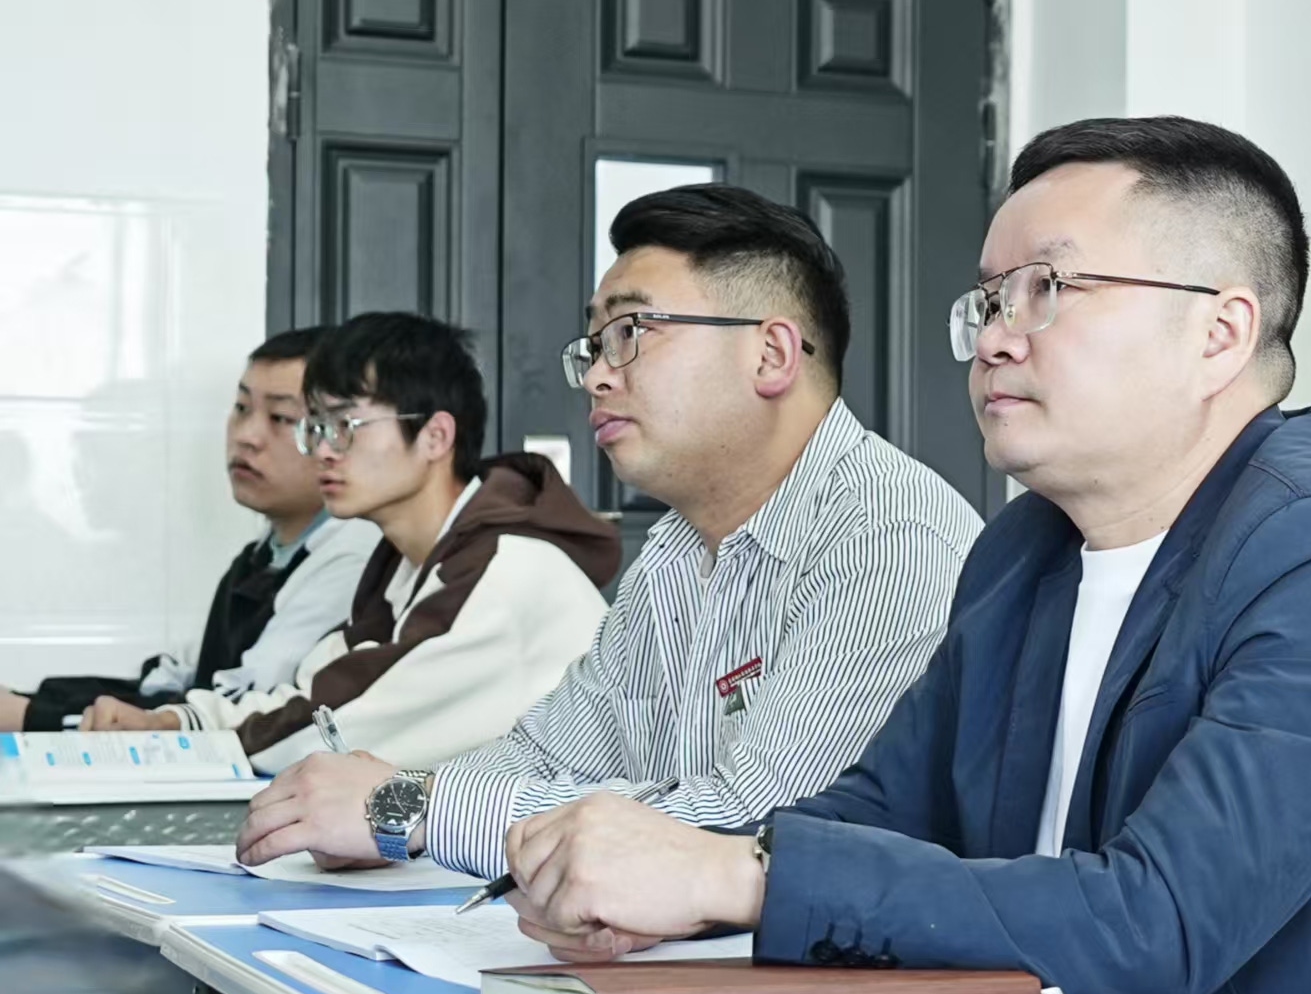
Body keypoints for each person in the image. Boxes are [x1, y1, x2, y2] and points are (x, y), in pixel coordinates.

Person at [487, 120, 1311, 994]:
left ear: (1219, 333)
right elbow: (877, 810)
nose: (996, 336)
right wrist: (665, 890)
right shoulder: (1026, 549)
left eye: (1047, 290)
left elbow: (1157, 922)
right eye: (989, 299)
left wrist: (738, 877)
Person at [234, 185, 982, 875]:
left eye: (629, 332)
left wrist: (413, 810)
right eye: (593, 347)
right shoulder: (673, 556)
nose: (596, 375)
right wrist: (387, 821)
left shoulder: (888, 536)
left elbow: (759, 823)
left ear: (771, 354)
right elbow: (544, 753)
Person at [86, 311, 620, 778]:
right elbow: (318, 691)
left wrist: (182, 738)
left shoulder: (505, 570)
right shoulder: (406, 562)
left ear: (435, 437)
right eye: (316, 428)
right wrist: (175, 722)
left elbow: (344, 730)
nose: (324, 451)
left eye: (346, 425)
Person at [0, 328, 379, 734]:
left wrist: (31, 716)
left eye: (281, 418)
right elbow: (180, 678)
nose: (247, 436)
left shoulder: (353, 560)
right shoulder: (262, 556)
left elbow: (242, 706)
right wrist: (31, 702)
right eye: (241, 408)